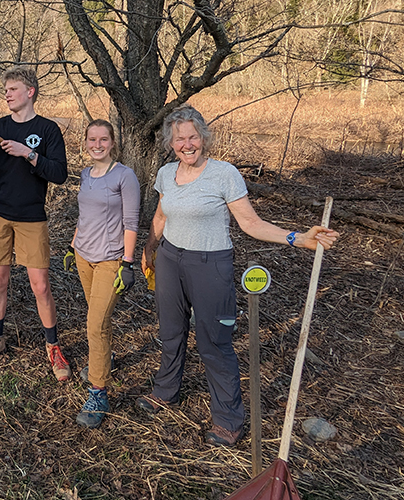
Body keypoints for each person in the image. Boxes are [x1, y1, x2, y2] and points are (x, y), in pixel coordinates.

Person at [139, 104, 340, 446]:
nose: (187, 145)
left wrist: (297, 237)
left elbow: (251, 223)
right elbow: (161, 216)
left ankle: (229, 420)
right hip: (171, 261)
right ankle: (166, 390)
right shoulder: (165, 173)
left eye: (193, 137)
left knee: (214, 343)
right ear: (170, 144)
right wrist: (149, 250)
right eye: (179, 140)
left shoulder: (224, 174)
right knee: (171, 332)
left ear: (203, 138)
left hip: (210, 264)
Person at [0, 65, 71, 381]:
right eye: (6, 90)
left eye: (12, 89)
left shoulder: (48, 130)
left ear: (30, 92)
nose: (7, 94)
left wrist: (29, 154)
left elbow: (60, 174)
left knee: (40, 285)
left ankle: (52, 346)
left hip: (31, 217)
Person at [65, 119, 140, 428]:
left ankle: (98, 392)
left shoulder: (125, 176)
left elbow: (131, 221)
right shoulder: (86, 174)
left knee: (94, 325)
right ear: (85, 142)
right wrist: (72, 247)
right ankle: (103, 360)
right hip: (84, 256)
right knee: (101, 321)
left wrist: (128, 262)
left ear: (112, 142)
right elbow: (85, 216)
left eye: (103, 139)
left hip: (110, 260)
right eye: (92, 139)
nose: (97, 144)